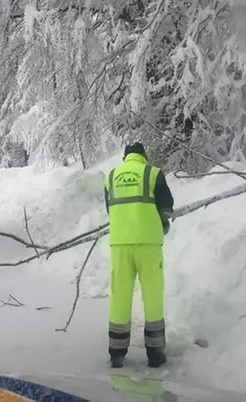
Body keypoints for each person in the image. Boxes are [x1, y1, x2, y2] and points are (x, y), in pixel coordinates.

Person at [104, 142, 174, 369]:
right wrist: (163, 222)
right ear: (144, 156)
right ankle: (155, 354)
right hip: (148, 244)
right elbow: (167, 205)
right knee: (152, 295)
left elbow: (110, 208)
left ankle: (117, 353)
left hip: (120, 244)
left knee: (120, 295)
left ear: (125, 158)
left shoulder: (111, 176)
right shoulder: (153, 173)